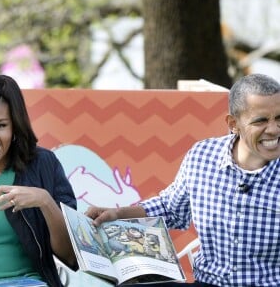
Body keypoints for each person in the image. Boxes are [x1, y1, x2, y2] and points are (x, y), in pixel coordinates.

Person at [86, 73, 280, 287]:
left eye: (279, 118)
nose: (273, 129)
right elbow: (170, 208)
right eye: (261, 120)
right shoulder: (202, 155)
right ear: (233, 124)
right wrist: (119, 213)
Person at [0, 72, 77, 286]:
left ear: (15, 127)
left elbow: (69, 255)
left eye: (0, 125)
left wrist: (45, 201)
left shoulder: (43, 164)